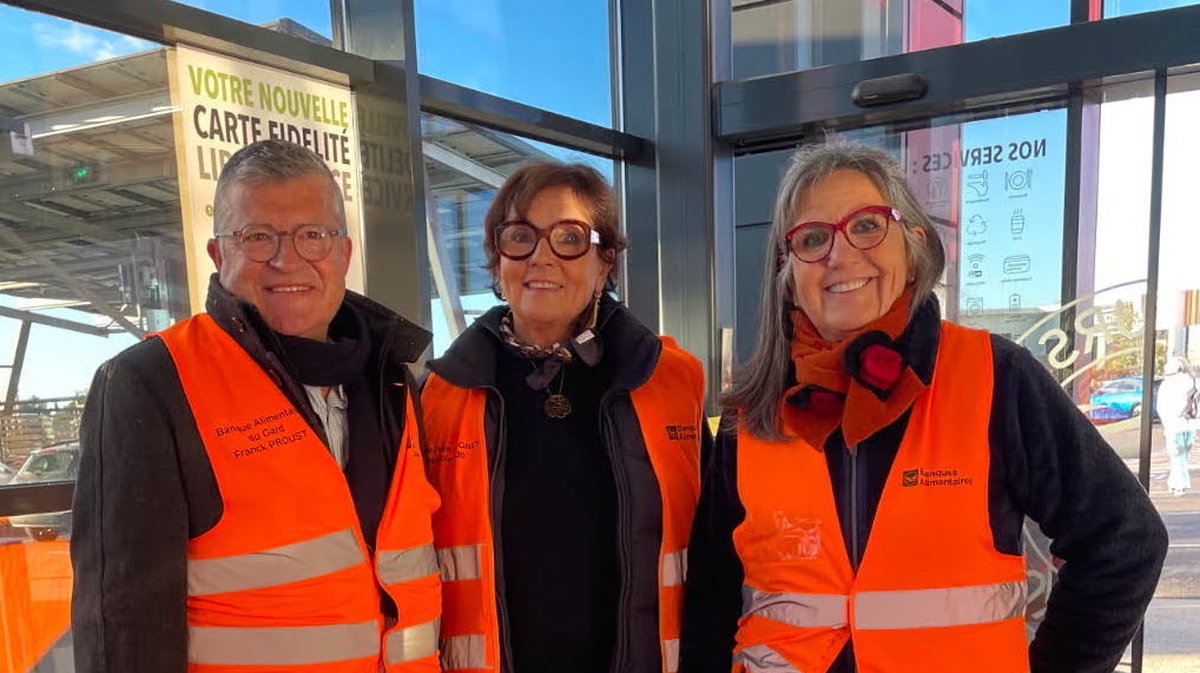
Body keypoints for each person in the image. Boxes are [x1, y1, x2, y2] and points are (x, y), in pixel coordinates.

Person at [679, 143, 1168, 673]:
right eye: (812, 239)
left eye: (866, 225)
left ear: (913, 242)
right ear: (787, 270)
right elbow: (712, 599)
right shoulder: (750, 418)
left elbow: (1124, 540)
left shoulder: (995, 376)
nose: (840, 256)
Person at [71, 140, 441, 673]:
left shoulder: (394, 382)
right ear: (219, 256)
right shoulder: (151, 382)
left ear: (343, 252)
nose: (287, 260)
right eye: (257, 237)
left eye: (312, 235)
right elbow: (121, 621)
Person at [421, 161, 707, 673]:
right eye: (520, 237)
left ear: (605, 262)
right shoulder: (440, 395)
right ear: (497, 260)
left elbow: (717, 549)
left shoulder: (674, 382)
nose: (541, 258)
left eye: (569, 238)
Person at [1156, 356, 1197, 496]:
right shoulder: (1193, 381)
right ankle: (1178, 483)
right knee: (1183, 456)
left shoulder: (1168, 384)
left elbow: (1162, 407)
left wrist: (1166, 422)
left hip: (1174, 424)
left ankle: (1178, 485)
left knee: (1177, 456)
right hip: (1190, 424)